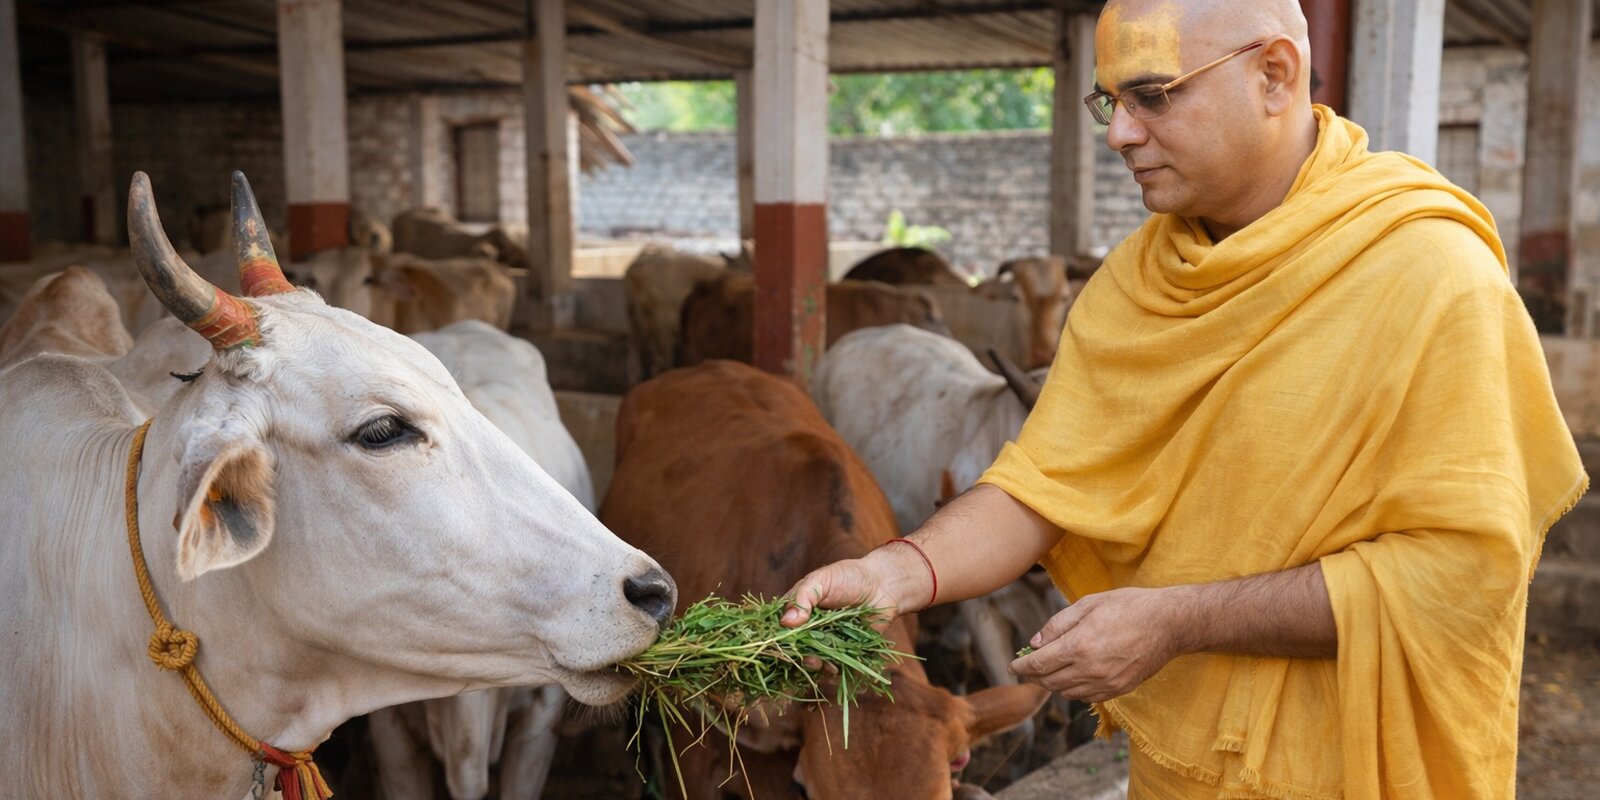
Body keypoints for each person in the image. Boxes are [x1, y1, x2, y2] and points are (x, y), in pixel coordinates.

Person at [780, 1, 1587, 797]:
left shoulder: (1431, 275)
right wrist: (897, 571)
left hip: (1359, 768)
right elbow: (1043, 487)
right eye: (1111, 101)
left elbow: (1460, 578)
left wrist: (1176, 621)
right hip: (1183, 771)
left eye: (1154, 95)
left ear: (1274, 75)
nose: (1119, 134)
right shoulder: (1134, 284)